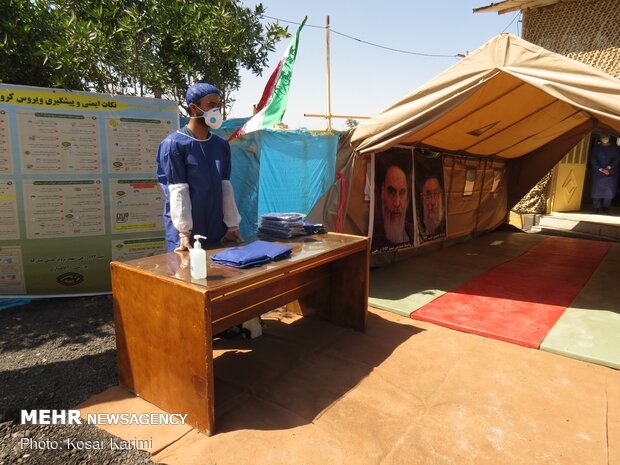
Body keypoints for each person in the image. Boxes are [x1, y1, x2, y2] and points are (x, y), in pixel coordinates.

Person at [157, 82, 243, 252]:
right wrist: (183, 232)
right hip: (186, 231)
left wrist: (232, 225)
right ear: (194, 108)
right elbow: (177, 190)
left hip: (216, 225)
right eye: (211, 105)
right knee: (184, 274)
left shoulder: (220, 145)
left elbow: (225, 187)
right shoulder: (173, 144)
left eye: (218, 105)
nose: (216, 111)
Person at [373, 163, 414, 250]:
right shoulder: (374, 238)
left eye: (402, 192)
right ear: (382, 193)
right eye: (392, 192)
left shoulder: (413, 232)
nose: (397, 203)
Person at [590, 133, 619, 213]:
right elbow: (593, 159)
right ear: (600, 138)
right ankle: (596, 208)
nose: (604, 138)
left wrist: (608, 167)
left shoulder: (615, 148)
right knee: (596, 190)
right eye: (603, 137)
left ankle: (606, 207)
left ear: (609, 137)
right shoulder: (596, 148)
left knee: (609, 190)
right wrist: (601, 169)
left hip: (611, 172)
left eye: (606, 137)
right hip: (598, 173)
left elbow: (616, 158)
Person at [419, 176, 445, 240]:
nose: (433, 202)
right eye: (428, 195)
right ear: (422, 198)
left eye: (436, 194)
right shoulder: (416, 226)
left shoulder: (447, 223)